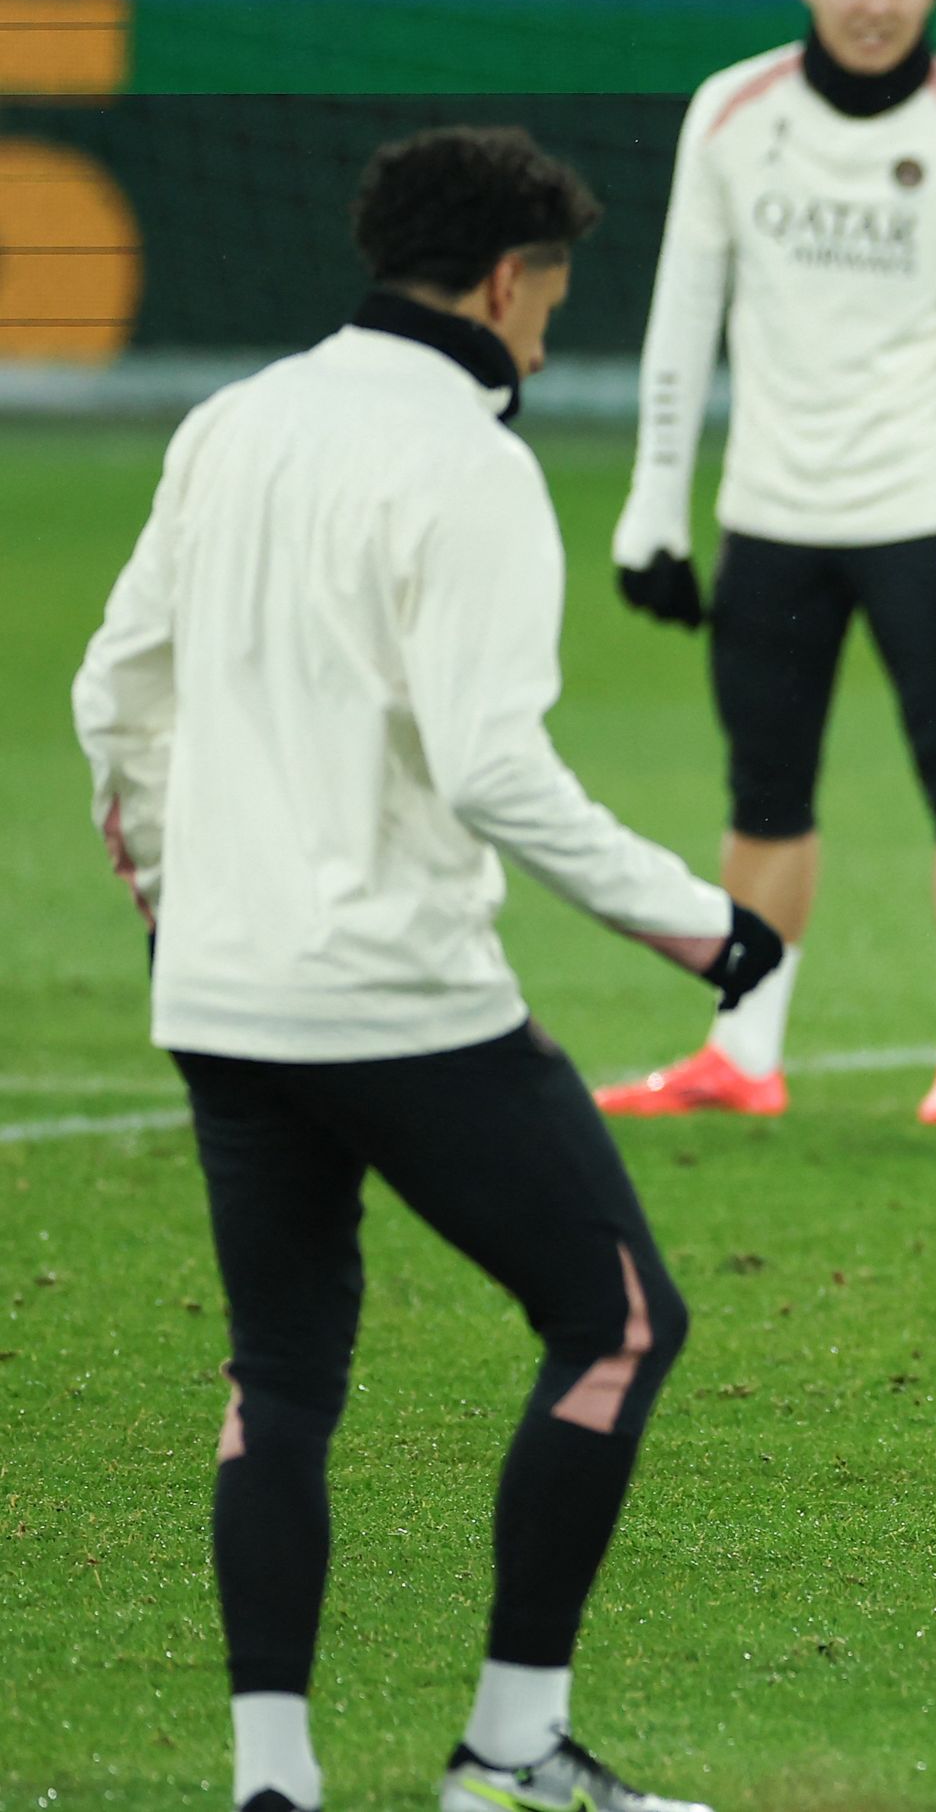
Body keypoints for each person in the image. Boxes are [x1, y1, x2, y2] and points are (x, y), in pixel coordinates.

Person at [71, 128, 780, 1812]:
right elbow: (492, 769)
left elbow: (116, 694)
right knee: (615, 1323)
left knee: (282, 1378)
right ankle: (510, 1750)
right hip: (398, 999)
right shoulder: (473, 467)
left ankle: (272, 1780)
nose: (545, 336)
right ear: (508, 280)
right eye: (550, 300)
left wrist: (183, 904)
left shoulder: (230, 419)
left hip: (224, 998)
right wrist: (701, 922)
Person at [599, 0, 936, 1126]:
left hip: (924, 516)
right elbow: (681, 319)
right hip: (771, 514)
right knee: (763, 790)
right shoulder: (733, 113)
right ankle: (743, 1049)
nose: (877, 3)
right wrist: (654, 508)